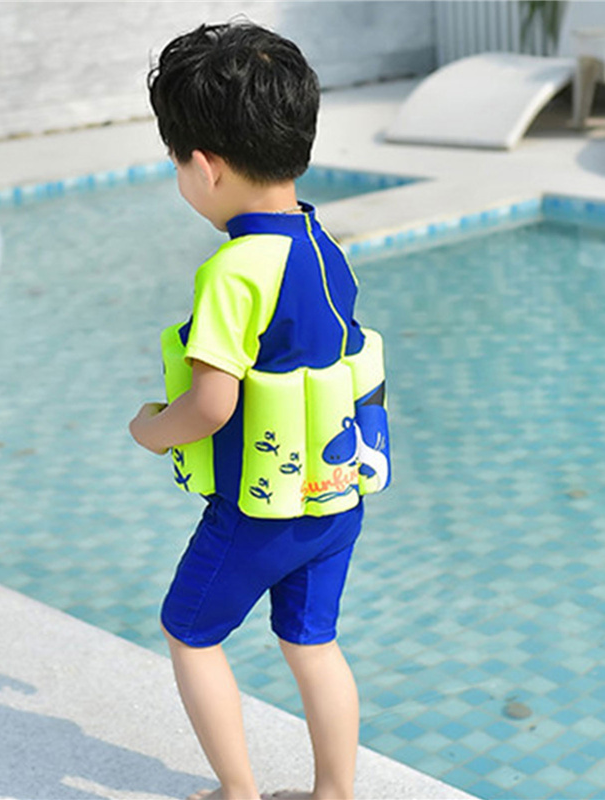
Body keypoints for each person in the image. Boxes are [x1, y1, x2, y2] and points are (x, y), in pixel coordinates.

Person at [129, 21, 390, 800]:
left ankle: (238, 793)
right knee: (313, 644)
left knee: (189, 632)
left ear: (205, 166)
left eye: (177, 161)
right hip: (334, 500)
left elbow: (211, 406)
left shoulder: (234, 272)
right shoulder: (323, 244)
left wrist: (151, 430)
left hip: (258, 511)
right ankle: (335, 793)